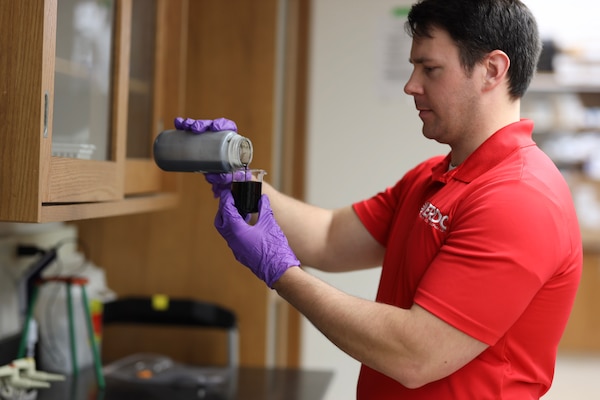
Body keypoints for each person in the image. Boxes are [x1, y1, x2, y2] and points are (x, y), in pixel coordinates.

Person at [175, 0, 582, 398]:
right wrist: (236, 176)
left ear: (491, 70)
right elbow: (330, 237)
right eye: (413, 66)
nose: (411, 85)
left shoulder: (520, 198)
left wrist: (282, 272)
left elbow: (416, 355)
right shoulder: (434, 177)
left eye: (430, 69)